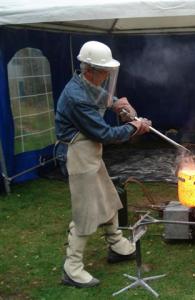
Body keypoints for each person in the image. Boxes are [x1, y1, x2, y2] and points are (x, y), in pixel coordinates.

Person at [55, 41, 151, 288]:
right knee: (85, 212)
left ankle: (117, 245)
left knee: (108, 198)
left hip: (90, 152)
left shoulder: (85, 84)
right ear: (90, 69)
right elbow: (105, 134)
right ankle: (72, 268)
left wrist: (120, 103)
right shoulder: (76, 97)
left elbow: (105, 98)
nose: (107, 76)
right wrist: (134, 126)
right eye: (104, 72)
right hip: (78, 153)